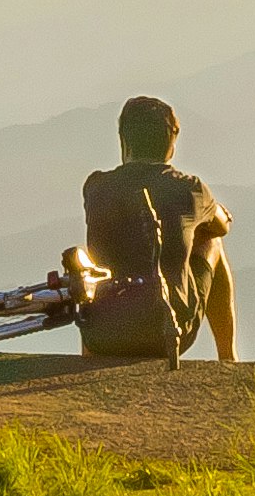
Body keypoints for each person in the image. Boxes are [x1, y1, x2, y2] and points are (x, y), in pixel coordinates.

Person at [73, 95, 237, 364]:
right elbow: (221, 227)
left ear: (124, 142)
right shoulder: (189, 189)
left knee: (94, 265)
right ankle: (228, 358)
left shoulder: (96, 186)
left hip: (102, 335)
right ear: (171, 146)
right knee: (211, 242)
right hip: (168, 331)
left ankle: (91, 358)